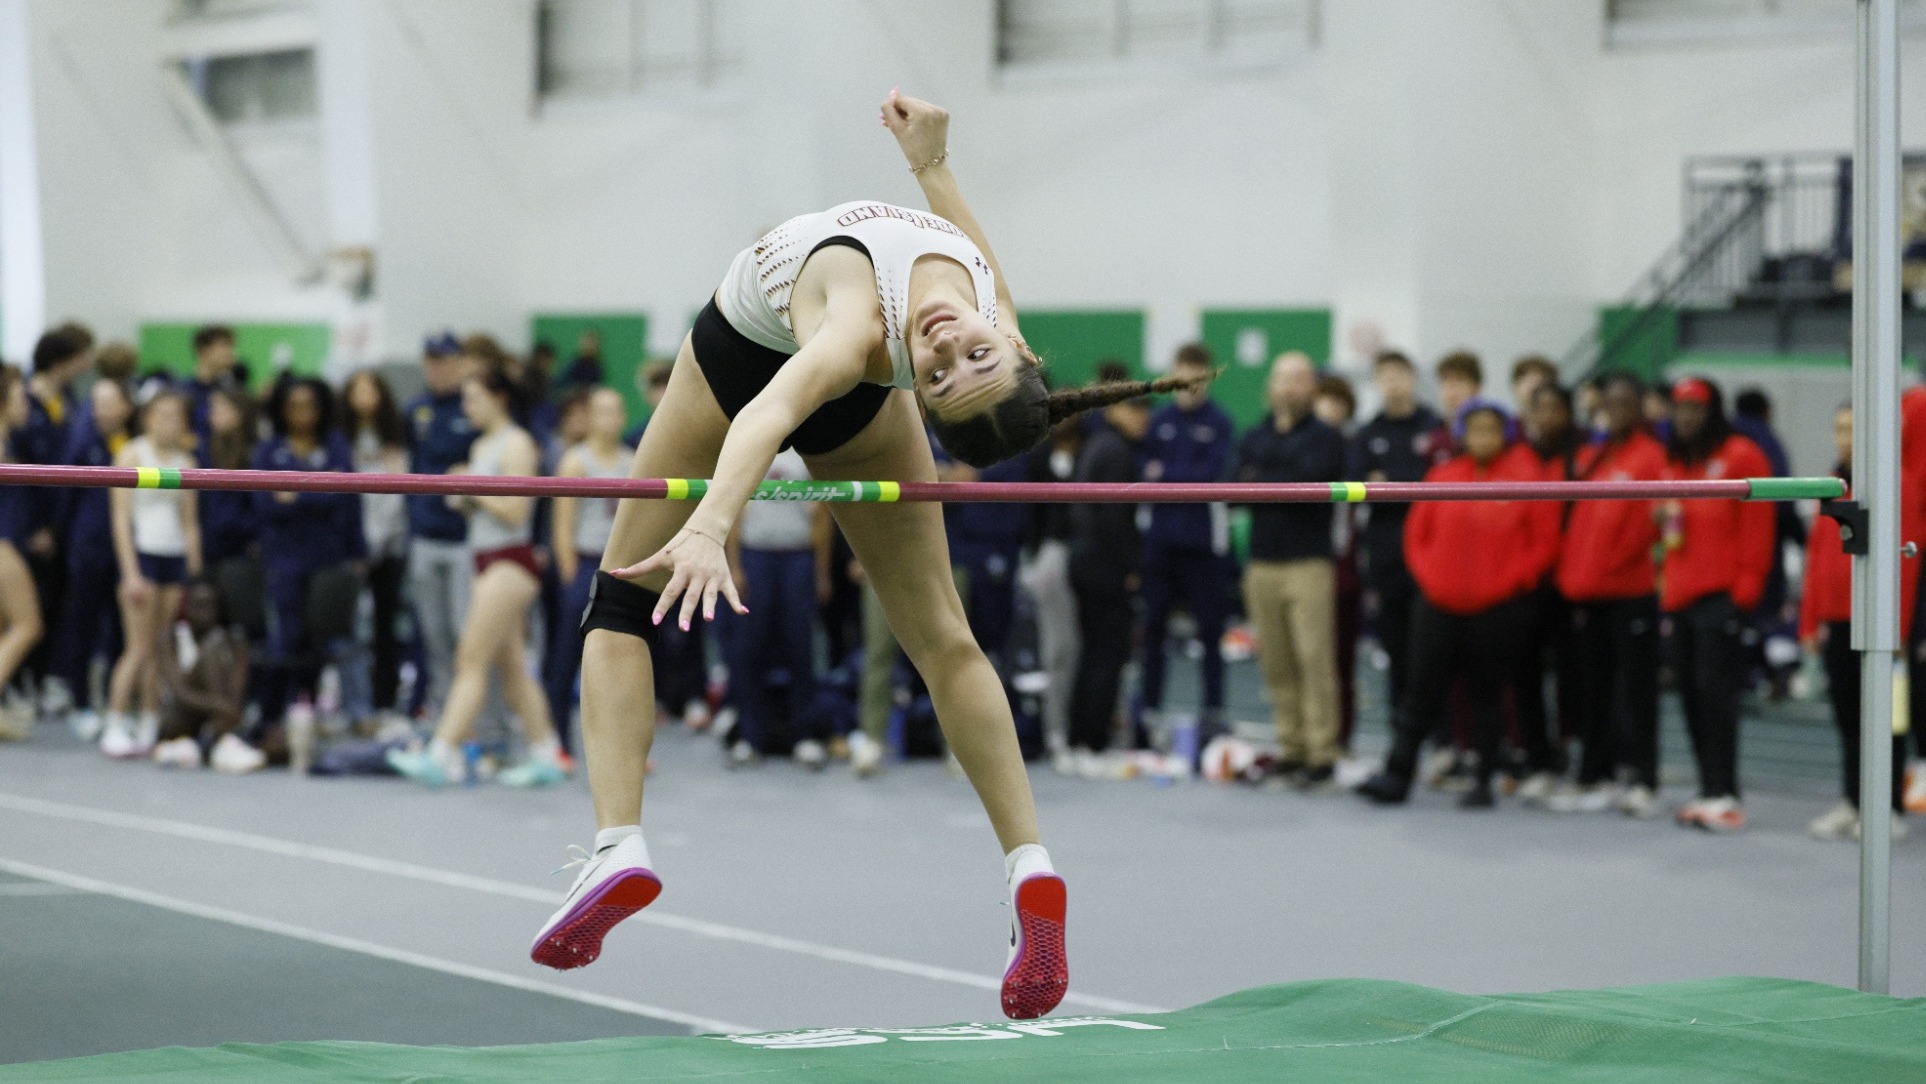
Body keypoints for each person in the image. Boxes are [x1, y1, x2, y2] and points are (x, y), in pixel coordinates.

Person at [534, 90, 1203, 1023]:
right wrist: (930, 162)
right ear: (1012, 337)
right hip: (842, 391)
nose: (946, 354)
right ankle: (1028, 861)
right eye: (972, 358)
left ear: (921, 403)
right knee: (944, 641)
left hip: (745, 359)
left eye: (940, 382)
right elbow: (962, 231)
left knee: (617, 605)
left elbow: (769, 410)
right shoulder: (985, 291)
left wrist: (705, 525)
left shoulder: (859, 336)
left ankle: (618, 846)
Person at [1357, 400, 1560, 808]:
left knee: (1487, 696)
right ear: (1461, 435)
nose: (1482, 437)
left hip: (1497, 608)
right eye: (1475, 429)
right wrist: (1432, 581)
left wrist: (1508, 584)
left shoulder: (1525, 477)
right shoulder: (1443, 474)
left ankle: (1484, 779)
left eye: (1491, 429)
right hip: (1437, 605)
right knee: (1419, 693)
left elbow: (1543, 542)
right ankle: (1398, 773)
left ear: (1505, 433)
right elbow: (1417, 536)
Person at [387, 367, 567, 789]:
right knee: (512, 668)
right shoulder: (484, 444)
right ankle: (546, 753)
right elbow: (489, 507)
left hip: (510, 561)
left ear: (499, 398)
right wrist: (464, 498)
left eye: (473, 399)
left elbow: (517, 510)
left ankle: (442, 752)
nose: (466, 408)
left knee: (470, 658)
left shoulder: (517, 443)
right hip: (484, 557)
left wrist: (469, 490)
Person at [1546, 373, 1667, 819]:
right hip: (1588, 593)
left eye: (1622, 403)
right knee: (1590, 689)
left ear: (1639, 408)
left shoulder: (1650, 458)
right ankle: (1594, 773)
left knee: (1635, 691)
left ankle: (1643, 778)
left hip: (1630, 592)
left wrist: (1617, 568)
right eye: (1606, 404)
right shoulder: (1595, 455)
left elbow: (1653, 526)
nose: (1612, 411)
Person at [1659, 377, 1774, 832]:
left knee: (1717, 696)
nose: (1686, 416)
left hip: (1721, 599)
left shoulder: (1742, 455)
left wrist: (1744, 592)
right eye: (1679, 407)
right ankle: (1708, 789)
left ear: (1713, 411)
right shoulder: (1674, 462)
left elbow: (1758, 528)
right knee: (1689, 694)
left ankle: (1726, 793)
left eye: (1695, 407)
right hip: (1680, 599)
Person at [1234, 353, 1347, 786]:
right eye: (1283, 378)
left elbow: (1308, 482)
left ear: (1313, 387)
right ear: (1271, 385)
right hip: (1262, 562)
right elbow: (1235, 488)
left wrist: (1260, 480)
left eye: (1300, 378)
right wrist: (1269, 482)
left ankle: (1322, 754)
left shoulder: (1327, 438)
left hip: (1309, 563)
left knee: (1314, 659)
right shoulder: (1254, 434)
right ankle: (1292, 747)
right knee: (1276, 663)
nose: (1290, 387)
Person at [1802, 404, 1910, 842]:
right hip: (1837, 620)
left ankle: (1888, 808)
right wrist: (1808, 621)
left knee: (1886, 718)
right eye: (1839, 428)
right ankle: (1854, 800)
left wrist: (1899, 625)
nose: (1844, 437)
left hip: (1881, 623)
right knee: (1848, 718)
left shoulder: (1897, 482)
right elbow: (1816, 558)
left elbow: (1908, 558)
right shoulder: (1832, 485)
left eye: (1853, 429)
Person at [252, 377, 365, 748]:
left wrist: (295, 495)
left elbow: (345, 499)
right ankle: (271, 717)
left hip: (327, 559)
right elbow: (266, 504)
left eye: (310, 405)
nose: (302, 414)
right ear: (281, 410)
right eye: (293, 406)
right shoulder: (269, 451)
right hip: (283, 559)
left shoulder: (336, 445)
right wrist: (319, 488)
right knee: (283, 639)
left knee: (321, 642)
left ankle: (309, 713)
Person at [1136, 344, 1233, 745]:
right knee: (1153, 632)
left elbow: (1210, 476)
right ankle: (1148, 713)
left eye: (1196, 378)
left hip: (1203, 546)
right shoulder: (1159, 421)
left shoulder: (1222, 424)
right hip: (1160, 544)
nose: (1188, 386)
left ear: (1207, 378)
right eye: (1182, 377)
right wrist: (1177, 477)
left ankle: (1213, 713)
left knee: (1210, 635)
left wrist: (1168, 476)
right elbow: (1144, 471)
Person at [102, 391, 201, 759]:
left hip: (172, 557)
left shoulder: (186, 461)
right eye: (162, 415)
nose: (169, 422)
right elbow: (120, 519)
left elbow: (190, 524)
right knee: (137, 647)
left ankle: (149, 721)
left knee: (160, 649)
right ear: (147, 418)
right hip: (142, 556)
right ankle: (114, 721)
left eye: (176, 416)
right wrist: (130, 572)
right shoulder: (131, 454)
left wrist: (195, 573)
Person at [1348, 350, 1442, 735]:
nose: (1393, 383)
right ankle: (1400, 739)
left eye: (1400, 375)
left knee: (1433, 653)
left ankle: (1441, 739)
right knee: (1396, 653)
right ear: (1375, 382)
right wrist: (1391, 485)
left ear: (1413, 379)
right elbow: (1357, 487)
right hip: (1387, 557)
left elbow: (1437, 481)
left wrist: (1393, 482)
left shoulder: (1434, 428)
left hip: (1433, 556)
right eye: (1384, 376)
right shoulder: (1367, 433)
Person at [721, 449, 831, 767]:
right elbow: (732, 511)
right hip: (755, 556)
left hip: (797, 557)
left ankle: (804, 737)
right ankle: (749, 736)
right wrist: (735, 567)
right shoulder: (751, 445)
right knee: (748, 649)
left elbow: (822, 514)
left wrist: (821, 572)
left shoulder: (808, 455)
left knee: (800, 648)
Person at [548, 387, 636, 753]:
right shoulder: (576, 461)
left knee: (624, 662)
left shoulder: (634, 461)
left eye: (615, 411)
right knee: (567, 657)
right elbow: (562, 527)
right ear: (589, 417)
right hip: (585, 566)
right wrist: (571, 577)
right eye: (601, 411)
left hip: (621, 568)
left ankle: (624, 748)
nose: (609, 419)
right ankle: (558, 743)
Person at [50, 376, 136, 741]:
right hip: (88, 548)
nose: (101, 411)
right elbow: (66, 497)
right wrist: (61, 537)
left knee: (120, 629)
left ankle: (118, 705)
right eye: (95, 403)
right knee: (82, 623)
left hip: (127, 550)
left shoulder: (134, 445)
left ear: (125, 407)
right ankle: (81, 702)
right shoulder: (81, 442)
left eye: (109, 402)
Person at [404, 333, 479, 720]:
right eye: (431, 360)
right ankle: (444, 715)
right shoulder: (415, 409)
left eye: (445, 360)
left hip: (466, 539)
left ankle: (472, 720)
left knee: (466, 634)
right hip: (424, 535)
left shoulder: (474, 407)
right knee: (432, 635)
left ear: (461, 362)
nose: (438, 368)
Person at [342, 371, 412, 729]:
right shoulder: (340, 439)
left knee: (386, 626)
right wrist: (356, 545)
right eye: (358, 389)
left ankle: (385, 699)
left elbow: (399, 491)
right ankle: (352, 702)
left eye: (371, 388)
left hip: (390, 544)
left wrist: (382, 542)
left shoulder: (395, 436)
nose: (364, 396)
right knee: (348, 627)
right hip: (352, 545)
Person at [1018, 415, 1084, 765]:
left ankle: (1084, 732)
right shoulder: (1040, 457)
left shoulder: (1092, 452)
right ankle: (1054, 732)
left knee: (1085, 650)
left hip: (1087, 559)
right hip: (1051, 559)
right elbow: (1036, 514)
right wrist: (1033, 559)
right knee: (1059, 650)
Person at [149, 579, 257, 773]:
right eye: (198, 605)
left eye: (209, 605)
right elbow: (180, 692)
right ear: (187, 606)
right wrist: (221, 706)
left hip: (217, 717)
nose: (204, 612)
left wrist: (227, 709)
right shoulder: (170, 638)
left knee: (215, 643)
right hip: (179, 717)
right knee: (212, 645)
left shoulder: (234, 641)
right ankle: (219, 742)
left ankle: (219, 741)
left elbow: (236, 692)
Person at [1313, 373, 1363, 749]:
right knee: (1309, 658)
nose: (1330, 409)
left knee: (1341, 658)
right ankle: (1310, 740)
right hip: (1306, 558)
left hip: (1346, 564)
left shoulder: (1354, 449)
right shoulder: (1302, 444)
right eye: (1323, 400)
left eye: (1337, 402)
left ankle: (1340, 738)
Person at [0, 368, 46, 740]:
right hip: (1, 543)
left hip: (9, 539)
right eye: (19, 398)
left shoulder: (10, 442)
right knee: (28, 625)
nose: (26, 406)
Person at [198, 387, 260, 569]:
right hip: (209, 544)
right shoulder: (204, 450)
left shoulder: (254, 453)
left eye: (221, 408)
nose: (213, 414)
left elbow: (259, 505)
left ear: (239, 413)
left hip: (244, 550)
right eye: (212, 408)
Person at [181, 325, 241, 460]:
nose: (231, 352)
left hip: (224, 464)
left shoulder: (233, 392)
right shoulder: (183, 391)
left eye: (231, 347)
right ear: (203, 351)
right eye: (224, 346)